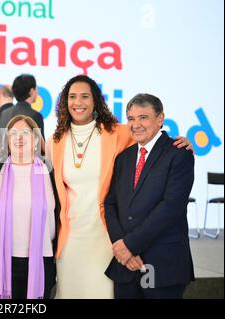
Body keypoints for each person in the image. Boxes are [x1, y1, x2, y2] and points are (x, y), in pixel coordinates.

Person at [46, 74, 192, 298]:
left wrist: (180, 141)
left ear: (95, 101)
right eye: (72, 96)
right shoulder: (54, 141)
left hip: (108, 238)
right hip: (72, 238)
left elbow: (151, 139)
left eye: (85, 96)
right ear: (65, 102)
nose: (78, 102)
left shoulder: (119, 132)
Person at [104, 93, 195, 299]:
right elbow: (110, 204)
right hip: (126, 267)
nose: (136, 124)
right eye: (131, 118)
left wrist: (130, 245)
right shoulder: (123, 158)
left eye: (143, 117)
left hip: (162, 265)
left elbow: (171, 208)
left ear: (160, 119)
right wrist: (121, 247)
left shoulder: (179, 154)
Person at [0, 115, 59, 299]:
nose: (19, 138)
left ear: (36, 138)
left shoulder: (48, 170)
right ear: (7, 139)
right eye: (13, 133)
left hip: (41, 259)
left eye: (25, 133)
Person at [0, 74, 45, 139]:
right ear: (31, 91)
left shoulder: (4, 114)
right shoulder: (36, 116)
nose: (37, 92)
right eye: (36, 89)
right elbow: (39, 146)